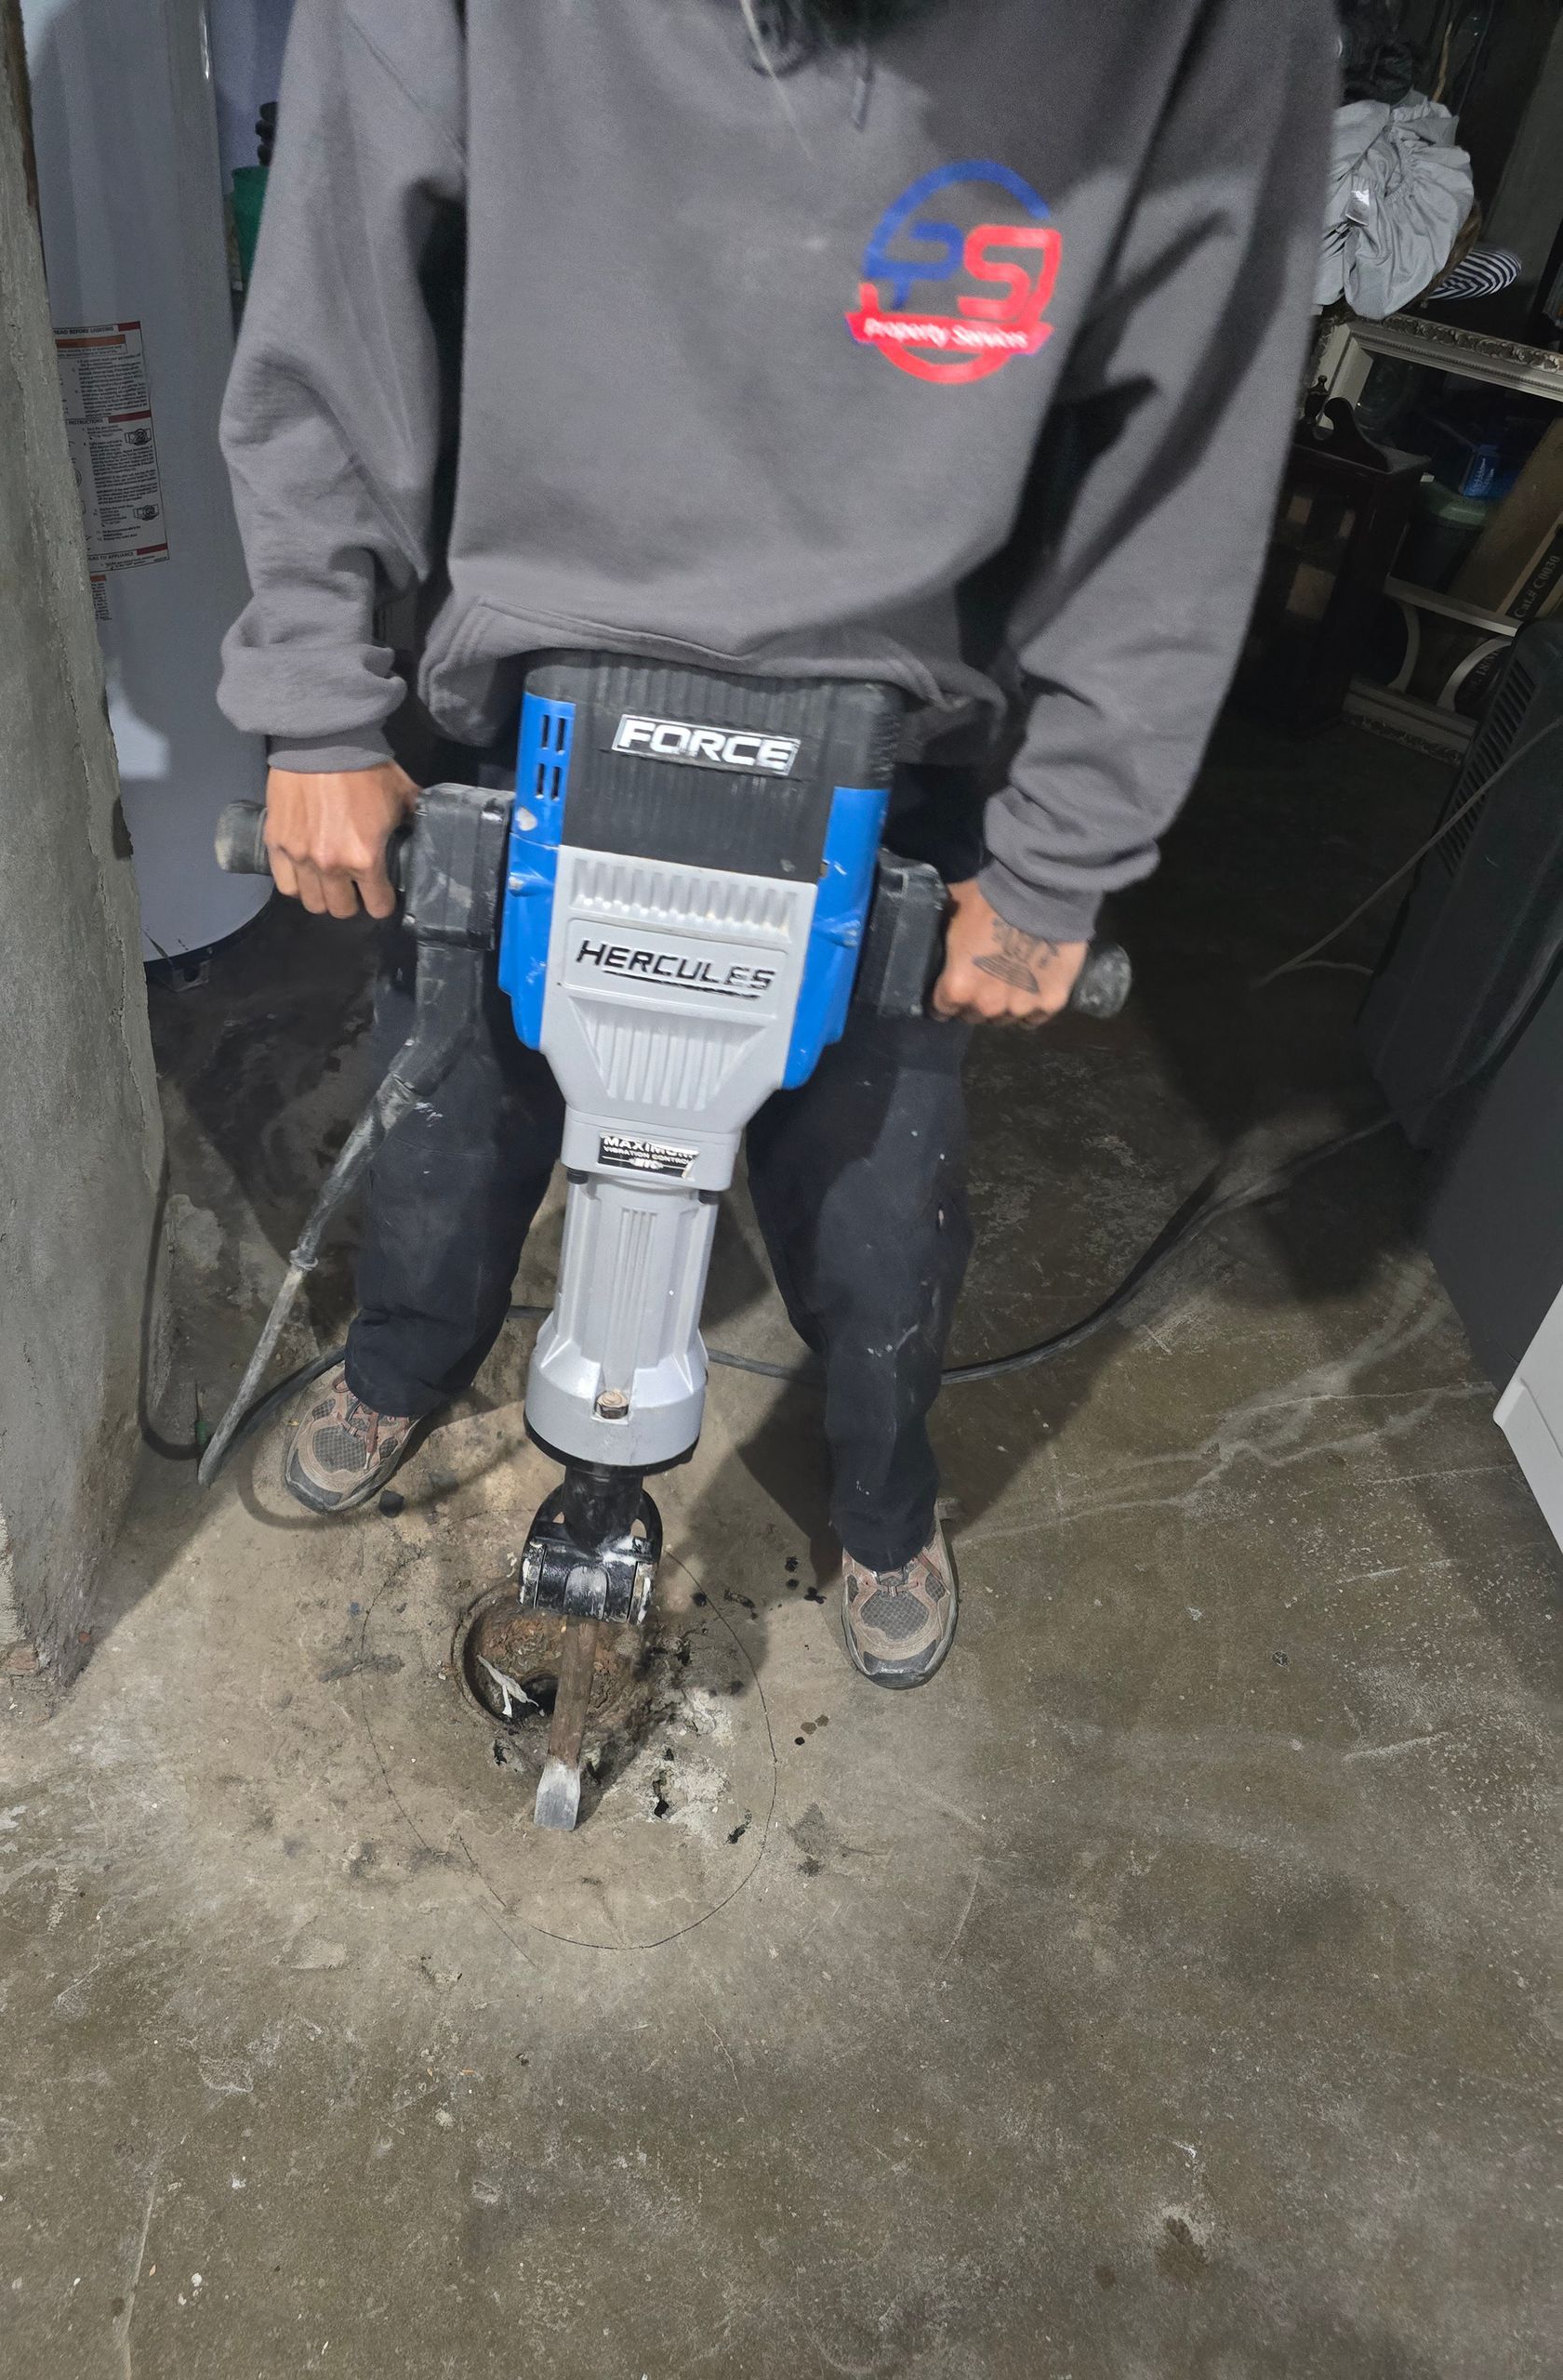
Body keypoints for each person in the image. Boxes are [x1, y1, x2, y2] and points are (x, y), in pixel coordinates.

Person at [219, 0, 1332, 1689]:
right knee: (449, 1132)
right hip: (537, 683)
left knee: (880, 1214)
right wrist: (316, 695)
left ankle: (882, 1498)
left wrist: (1064, 850)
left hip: (896, 723)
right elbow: (340, 255)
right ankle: (404, 1364)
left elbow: (1195, 427)